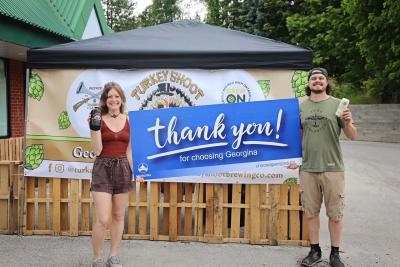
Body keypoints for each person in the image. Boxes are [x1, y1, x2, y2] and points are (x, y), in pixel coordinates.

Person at [289, 67, 357, 267]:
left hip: (332, 168)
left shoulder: (338, 105)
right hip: (308, 168)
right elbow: (298, 137)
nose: (317, 81)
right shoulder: (301, 107)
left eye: (321, 78)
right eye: (313, 78)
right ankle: (315, 250)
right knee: (311, 212)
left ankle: (335, 254)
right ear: (309, 84)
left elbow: (352, 135)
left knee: (335, 214)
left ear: (327, 83)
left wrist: (348, 122)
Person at [89, 81, 142, 267]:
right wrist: (94, 129)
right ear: (105, 100)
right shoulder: (98, 119)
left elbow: (129, 151)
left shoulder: (129, 120)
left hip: (123, 169)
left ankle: (113, 256)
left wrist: (136, 172)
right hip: (102, 168)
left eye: (117, 96)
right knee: (103, 218)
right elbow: (97, 150)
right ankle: (97, 259)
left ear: (122, 99)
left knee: (119, 215)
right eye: (110, 96)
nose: (113, 99)